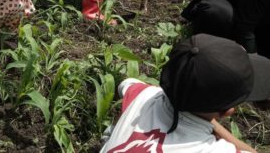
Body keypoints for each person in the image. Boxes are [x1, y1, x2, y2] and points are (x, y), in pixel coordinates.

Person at [100, 33, 270, 153]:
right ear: (227, 112)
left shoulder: (142, 93)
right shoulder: (212, 149)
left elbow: (126, 84)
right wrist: (213, 125)